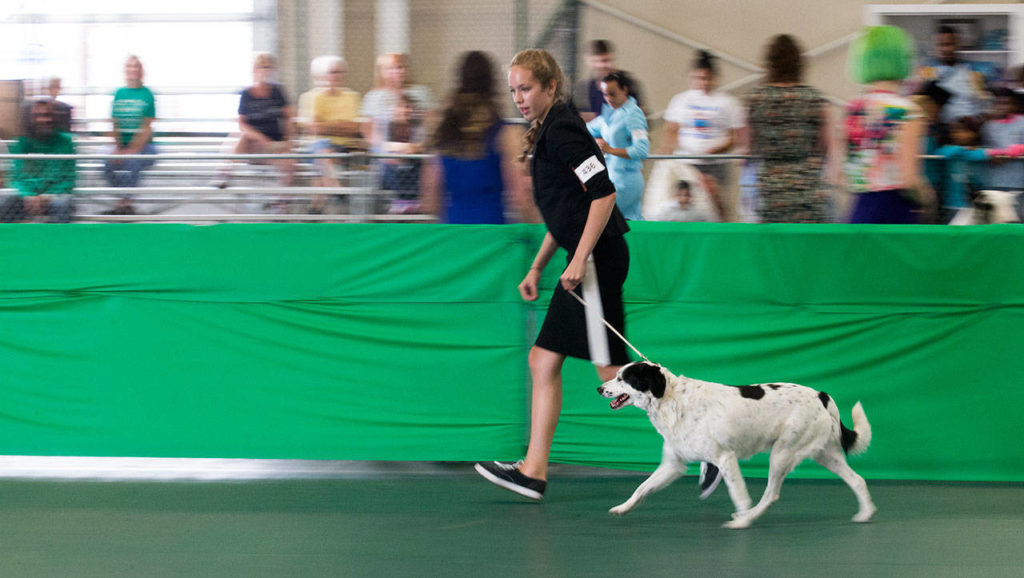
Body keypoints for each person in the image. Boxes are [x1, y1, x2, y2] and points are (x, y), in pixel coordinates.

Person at [474, 48, 635, 500]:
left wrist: (580, 259)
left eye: (526, 89)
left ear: (549, 86)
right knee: (545, 361)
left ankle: (707, 449)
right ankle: (533, 470)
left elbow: (603, 195)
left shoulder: (563, 130)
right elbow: (568, 210)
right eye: (513, 91)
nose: (519, 99)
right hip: (587, 260)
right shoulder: (549, 129)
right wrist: (539, 265)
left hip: (596, 262)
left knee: (616, 380)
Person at [421, 50, 536, 224]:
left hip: (453, 229)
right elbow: (521, 197)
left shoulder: (443, 130)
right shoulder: (507, 135)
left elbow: (429, 198)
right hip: (490, 233)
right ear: (492, 84)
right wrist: (541, 232)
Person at [844, 26, 936, 224]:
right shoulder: (908, 111)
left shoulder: (852, 108)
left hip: (860, 208)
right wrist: (927, 196)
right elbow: (909, 178)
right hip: (895, 210)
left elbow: (839, 175)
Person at [745, 34, 834, 223]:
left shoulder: (755, 99)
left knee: (771, 249)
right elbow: (826, 145)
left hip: (769, 191)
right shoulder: (814, 98)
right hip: (808, 190)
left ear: (770, 63)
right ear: (799, 64)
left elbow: (747, 148)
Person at [661, 50, 746, 220]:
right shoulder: (681, 100)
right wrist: (666, 153)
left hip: (716, 163)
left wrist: (717, 149)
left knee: (716, 205)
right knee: (685, 204)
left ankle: (722, 235)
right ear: (691, 77)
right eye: (699, 78)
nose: (703, 82)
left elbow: (736, 136)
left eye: (707, 78)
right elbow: (671, 129)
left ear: (714, 78)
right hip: (687, 162)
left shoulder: (728, 102)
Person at [216, 52, 296, 189]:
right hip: (253, 143)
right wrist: (259, 137)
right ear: (255, 70)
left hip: (274, 143)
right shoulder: (247, 93)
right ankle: (225, 172)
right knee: (240, 137)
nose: (264, 71)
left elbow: (289, 117)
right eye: (261, 67)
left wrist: (289, 140)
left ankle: (282, 200)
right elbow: (242, 123)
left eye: (268, 67)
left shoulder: (278, 91)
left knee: (289, 160)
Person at [586, 71, 649, 220]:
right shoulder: (610, 113)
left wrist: (610, 150)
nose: (608, 99)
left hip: (627, 180)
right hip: (613, 176)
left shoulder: (633, 115)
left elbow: (641, 149)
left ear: (624, 89)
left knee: (600, 219)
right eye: (605, 94)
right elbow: (588, 129)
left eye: (612, 94)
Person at [1, 99, 76, 223]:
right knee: (5, 201)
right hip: (26, 198)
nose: (44, 120)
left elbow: (68, 179)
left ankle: (57, 240)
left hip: (54, 197)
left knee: (63, 203)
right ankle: (9, 240)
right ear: (30, 119)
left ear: (54, 117)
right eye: (38, 115)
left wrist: (47, 196)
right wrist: (28, 195)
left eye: (47, 115)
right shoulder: (22, 143)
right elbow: (16, 177)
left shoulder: (65, 143)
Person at [915, 25, 997, 131]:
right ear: (935, 47)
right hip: (940, 130)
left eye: (950, 44)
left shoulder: (973, 72)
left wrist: (978, 119)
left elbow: (987, 105)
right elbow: (919, 104)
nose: (946, 49)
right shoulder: (927, 72)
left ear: (958, 44)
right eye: (941, 45)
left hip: (968, 130)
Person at [105, 55, 156, 204]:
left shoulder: (147, 94)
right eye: (129, 66)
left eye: (136, 66)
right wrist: (119, 148)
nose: (132, 69)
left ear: (141, 71)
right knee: (107, 164)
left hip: (144, 146)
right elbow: (114, 123)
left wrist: (131, 150)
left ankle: (126, 203)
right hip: (122, 145)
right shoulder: (118, 93)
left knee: (132, 162)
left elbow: (146, 127)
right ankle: (124, 200)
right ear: (125, 70)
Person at [310, 56, 362, 198]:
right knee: (323, 150)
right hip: (321, 146)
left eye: (339, 72)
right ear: (325, 76)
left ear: (344, 75)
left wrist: (328, 126)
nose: (335, 76)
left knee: (322, 162)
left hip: (343, 146)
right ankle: (337, 190)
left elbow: (353, 128)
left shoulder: (352, 97)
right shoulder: (318, 98)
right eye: (332, 72)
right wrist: (340, 125)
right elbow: (316, 129)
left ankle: (315, 211)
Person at [573, 39, 645, 123]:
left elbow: (641, 116)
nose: (602, 66)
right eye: (596, 61)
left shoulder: (628, 83)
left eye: (605, 60)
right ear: (588, 61)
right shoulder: (584, 89)